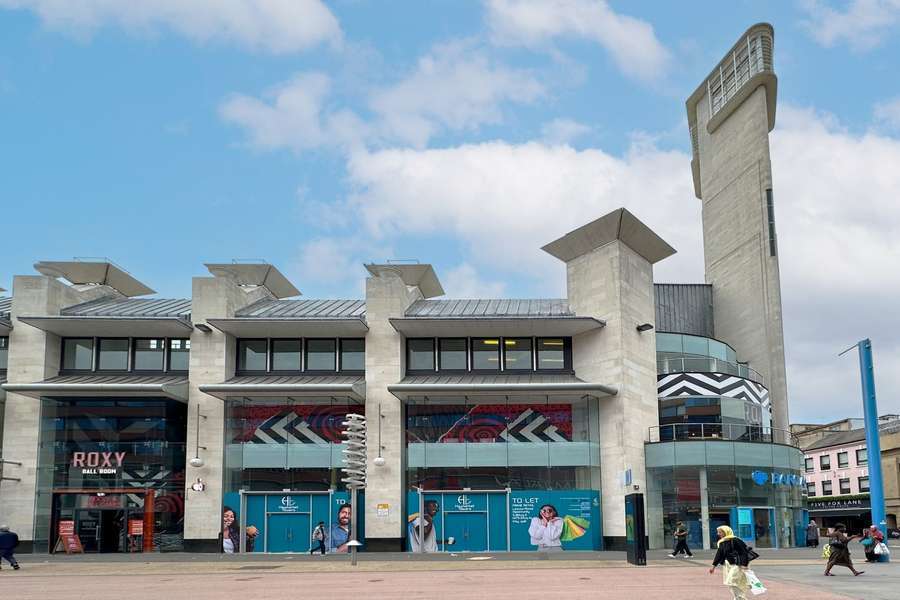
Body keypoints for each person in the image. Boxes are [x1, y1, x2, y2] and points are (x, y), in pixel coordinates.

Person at [708, 525, 751, 600]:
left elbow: (744, 552)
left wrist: (744, 564)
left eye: (720, 532)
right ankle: (738, 597)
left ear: (726, 532)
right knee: (731, 583)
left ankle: (741, 598)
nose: (718, 534)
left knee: (731, 581)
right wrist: (713, 567)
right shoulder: (721, 542)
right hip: (727, 565)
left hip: (738, 564)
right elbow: (719, 554)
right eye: (718, 532)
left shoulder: (735, 540)